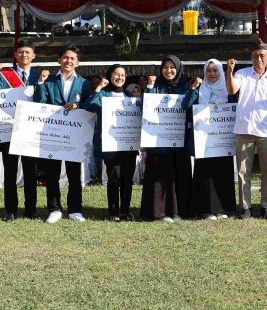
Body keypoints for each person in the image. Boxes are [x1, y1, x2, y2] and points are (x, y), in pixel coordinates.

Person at [0, 39, 41, 220]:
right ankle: (10, 210)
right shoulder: (4, 75)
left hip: (31, 130)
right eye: (21, 52)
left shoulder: (40, 76)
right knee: (10, 171)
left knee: (30, 171)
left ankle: (31, 209)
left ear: (33, 56)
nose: (24, 55)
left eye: (27, 52)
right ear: (15, 55)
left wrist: (41, 84)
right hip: (9, 128)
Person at [225, 42, 267, 220]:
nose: (259, 59)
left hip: (266, 130)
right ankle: (245, 207)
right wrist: (229, 70)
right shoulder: (242, 74)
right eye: (256, 56)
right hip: (244, 128)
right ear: (251, 57)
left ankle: (266, 206)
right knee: (243, 171)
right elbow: (232, 89)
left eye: (262, 56)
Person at [34, 46, 92, 223]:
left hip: (74, 135)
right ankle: (54, 208)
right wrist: (41, 84)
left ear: (78, 62)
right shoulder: (50, 81)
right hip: (53, 134)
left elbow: (90, 105)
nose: (68, 61)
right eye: (65, 58)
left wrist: (78, 106)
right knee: (52, 173)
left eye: (72, 58)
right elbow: (39, 103)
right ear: (59, 60)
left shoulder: (84, 83)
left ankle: (75, 209)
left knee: (75, 174)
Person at [184, 58, 239, 220]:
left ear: (221, 72)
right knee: (205, 173)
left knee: (223, 172)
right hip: (204, 140)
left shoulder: (228, 89)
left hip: (222, 140)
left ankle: (223, 208)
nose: (212, 73)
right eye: (209, 70)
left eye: (215, 70)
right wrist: (194, 88)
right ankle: (206, 209)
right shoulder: (201, 89)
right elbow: (186, 106)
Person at [88, 64, 141, 221]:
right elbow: (90, 106)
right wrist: (99, 88)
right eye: (116, 74)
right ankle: (113, 212)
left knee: (127, 179)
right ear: (110, 76)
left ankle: (125, 211)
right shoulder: (103, 94)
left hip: (129, 144)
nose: (120, 78)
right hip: (111, 145)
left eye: (123, 75)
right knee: (114, 178)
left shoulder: (129, 97)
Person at [141, 55, 190, 221]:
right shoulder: (156, 87)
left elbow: (190, 107)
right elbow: (145, 106)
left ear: (178, 69)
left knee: (178, 176)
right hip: (158, 141)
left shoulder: (185, 87)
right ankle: (159, 212)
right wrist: (149, 86)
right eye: (165, 68)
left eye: (172, 67)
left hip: (179, 140)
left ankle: (178, 211)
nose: (168, 71)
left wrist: (193, 90)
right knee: (159, 177)